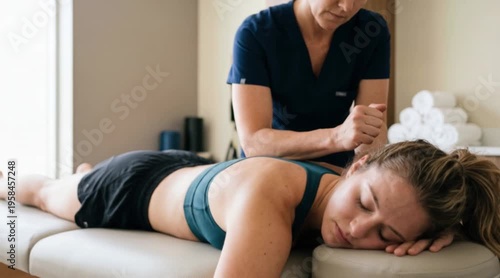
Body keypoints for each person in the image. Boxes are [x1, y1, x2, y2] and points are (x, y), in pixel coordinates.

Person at [1, 140, 499, 277]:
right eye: (363, 202)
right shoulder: (270, 194)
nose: (356, 228)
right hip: (134, 187)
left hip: (198, 171)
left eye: (387, 235)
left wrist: (447, 235)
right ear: (354, 166)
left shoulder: (388, 207)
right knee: (43, 193)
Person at [228, 0, 390, 167]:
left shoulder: (371, 30)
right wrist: (336, 137)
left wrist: (364, 172)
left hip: (337, 171)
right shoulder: (256, 33)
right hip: (271, 167)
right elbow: (254, 143)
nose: (347, 7)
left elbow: (373, 129)